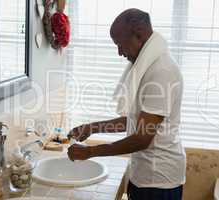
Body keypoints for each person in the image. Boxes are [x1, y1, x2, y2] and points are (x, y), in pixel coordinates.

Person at [67, 8, 186, 200]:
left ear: (138, 34)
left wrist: (89, 151)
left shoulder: (161, 71)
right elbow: (136, 120)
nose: (119, 52)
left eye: (120, 44)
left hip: (159, 180)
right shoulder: (149, 66)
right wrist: (92, 128)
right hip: (146, 174)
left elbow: (142, 138)